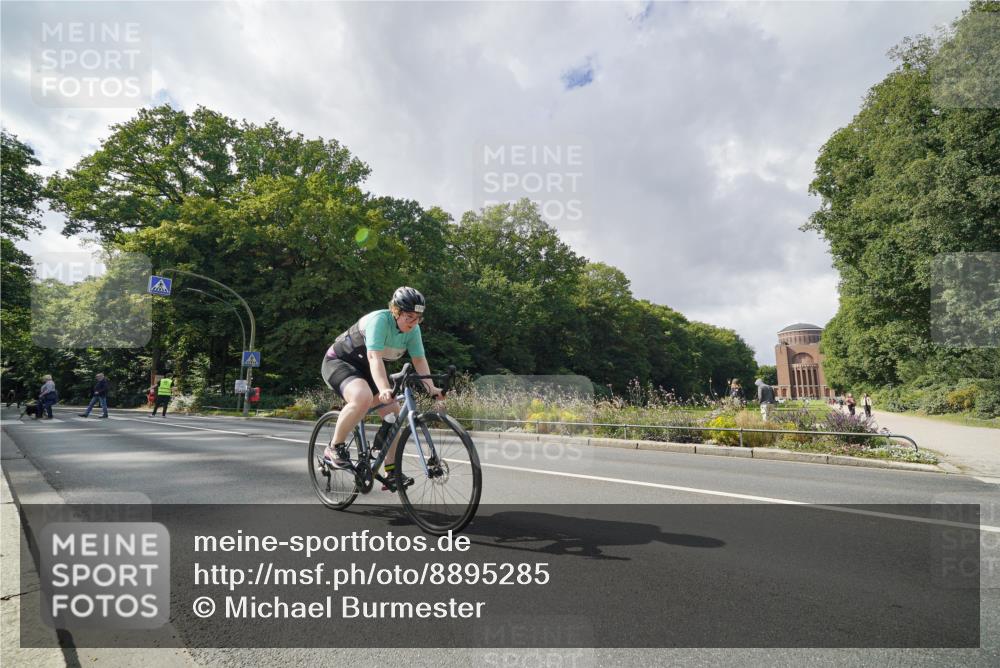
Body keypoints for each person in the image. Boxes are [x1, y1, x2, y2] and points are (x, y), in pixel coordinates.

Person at [320, 287, 443, 490]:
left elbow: (419, 359)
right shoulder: (380, 320)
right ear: (395, 312)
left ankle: (391, 470)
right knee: (362, 397)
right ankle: (333, 448)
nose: (413, 323)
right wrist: (384, 388)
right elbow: (374, 358)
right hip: (340, 362)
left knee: (394, 411)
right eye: (409, 317)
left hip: (367, 367)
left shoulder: (413, 330)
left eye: (418, 318)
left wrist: (431, 388)